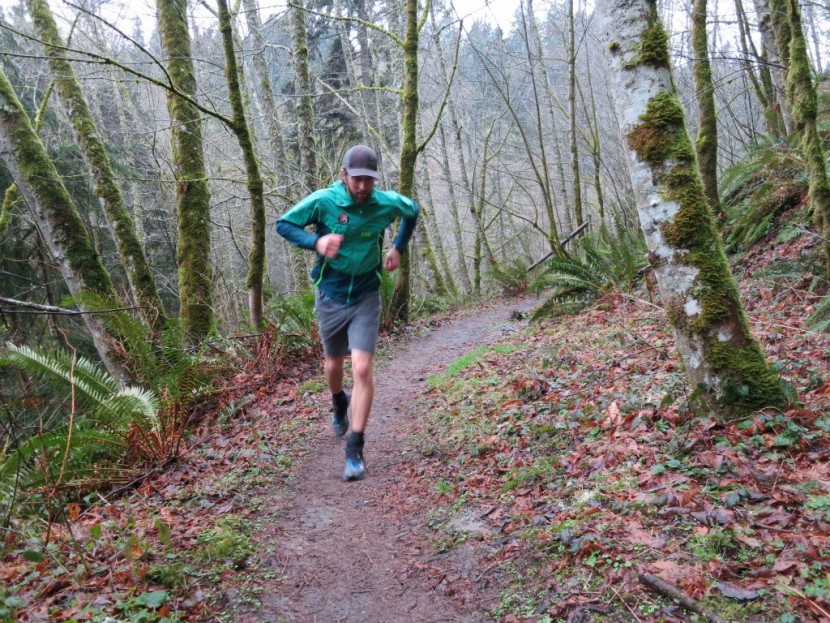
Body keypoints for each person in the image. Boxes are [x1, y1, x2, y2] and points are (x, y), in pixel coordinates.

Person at [275, 145, 419, 481]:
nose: (364, 186)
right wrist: (316, 243)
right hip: (331, 295)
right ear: (344, 175)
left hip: (367, 295)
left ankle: (355, 447)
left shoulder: (385, 203)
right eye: (358, 179)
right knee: (333, 365)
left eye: (370, 179)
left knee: (363, 367)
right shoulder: (324, 201)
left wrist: (398, 246)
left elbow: (413, 211)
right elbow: (284, 224)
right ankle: (339, 400)